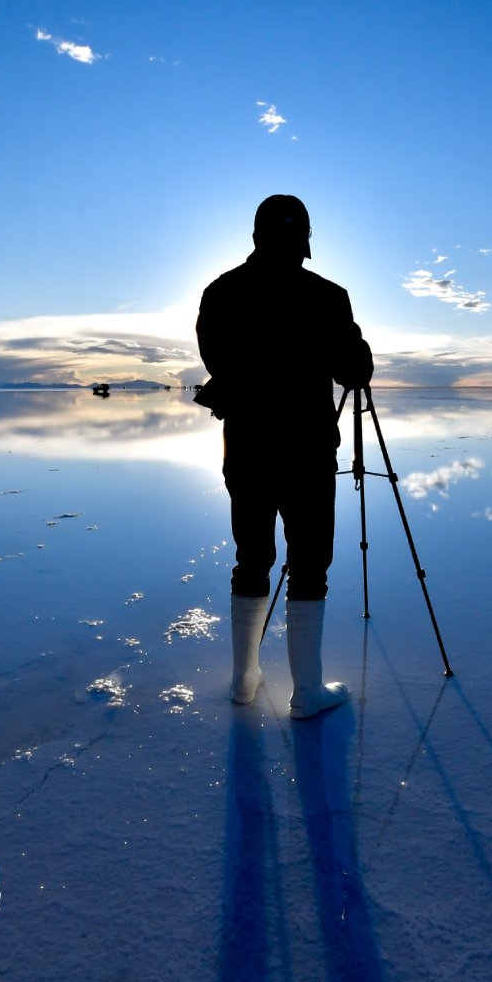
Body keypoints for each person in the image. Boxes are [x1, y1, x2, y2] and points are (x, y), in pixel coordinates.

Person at [195, 195, 373, 718]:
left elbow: (216, 362)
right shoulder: (327, 296)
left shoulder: (221, 292)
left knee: (251, 557)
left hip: (247, 446)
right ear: (305, 240)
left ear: (256, 235)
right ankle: (307, 691)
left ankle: (243, 678)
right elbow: (355, 372)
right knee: (310, 562)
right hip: (307, 448)